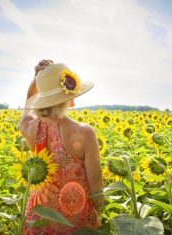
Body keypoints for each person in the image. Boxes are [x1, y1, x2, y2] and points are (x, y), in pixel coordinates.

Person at [19, 59, 104, 235]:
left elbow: (28, 107)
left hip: (39, 218)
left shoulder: (29, 128)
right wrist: (101, 212)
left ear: (42, 98)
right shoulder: (85, 132)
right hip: (76, 219)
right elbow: (96, 183)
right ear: (70, 98)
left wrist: (37, 81)